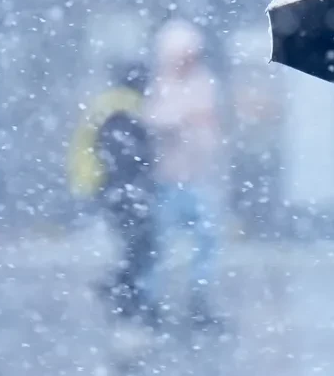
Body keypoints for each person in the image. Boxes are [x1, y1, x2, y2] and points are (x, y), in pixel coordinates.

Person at [68, 61, 161, 335]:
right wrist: (136, 182)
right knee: (140, 244)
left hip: (102, 185)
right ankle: (124, 296)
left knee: (133, 243)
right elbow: (125, 155)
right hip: (116, 187)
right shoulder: (124, 109)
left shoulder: (109, 103)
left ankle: (121, 291)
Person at [145, 19, 224, 325]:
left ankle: (198, 300)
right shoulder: (158, 83)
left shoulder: (202, 83)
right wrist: (181, 120)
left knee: (206, 241)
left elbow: (208, 129)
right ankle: (151, 303)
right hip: (165, 179)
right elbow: (154, 122)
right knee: (160, 245)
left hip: (196, 177)